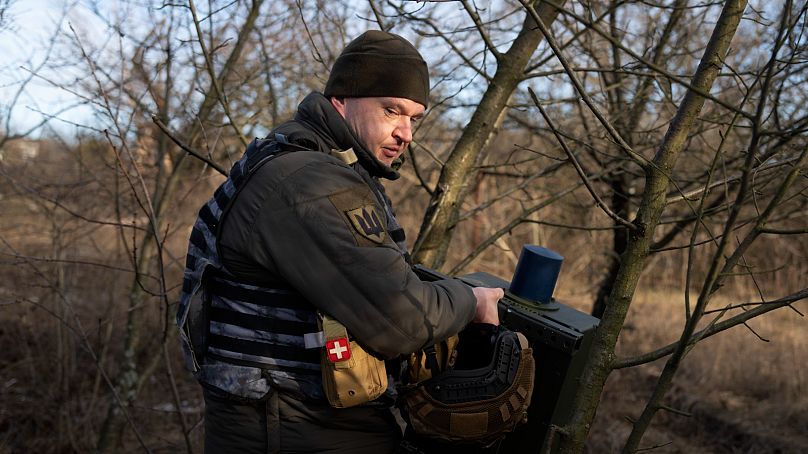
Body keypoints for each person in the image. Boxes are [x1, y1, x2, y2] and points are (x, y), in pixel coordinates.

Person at [176, 30, 504, 454]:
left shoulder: (306, 167)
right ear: (342, 100)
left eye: (413, 119)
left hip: (300, 423)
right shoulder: (309, 183)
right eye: (391, 111)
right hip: (292, 428)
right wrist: (471, 301)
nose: (406, 134)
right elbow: (399, 320)